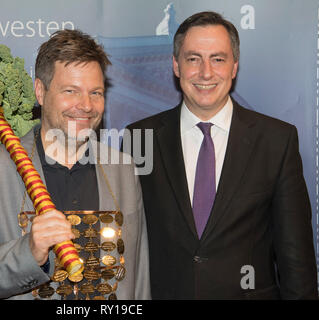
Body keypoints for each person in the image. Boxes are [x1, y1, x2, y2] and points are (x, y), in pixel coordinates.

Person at [0, 29, 150, 300]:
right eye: (71, 91)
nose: (86, 105)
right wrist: (28, 252)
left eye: (96, 93)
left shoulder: (123, 168)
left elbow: (139, 277)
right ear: (40, 92)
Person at [126, 11, 318, 299]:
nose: (206, 72)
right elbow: (128, 243)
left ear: (234, 67)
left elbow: (296, 259)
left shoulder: (276, 141)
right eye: (193, 59)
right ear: (176, 66)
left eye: (218, 59)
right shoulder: (139, 138)